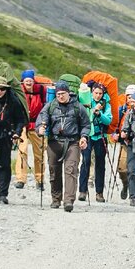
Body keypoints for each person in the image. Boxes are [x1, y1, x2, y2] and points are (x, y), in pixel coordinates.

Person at [35, 80, 90, 212]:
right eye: (58, 94)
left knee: (71, 170)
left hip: (73, 143)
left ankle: (68, 201)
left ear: (68, 93)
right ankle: (56, 199)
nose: (60, 96)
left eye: (63, 94)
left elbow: (86, 124)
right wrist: (40, 129)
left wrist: (84, 137)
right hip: (54, 142)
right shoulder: (51, 106)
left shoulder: (77, 107)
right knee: (54, 171)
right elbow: (42, 119)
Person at [77, 81, 113, 203]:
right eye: (96, 93)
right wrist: (93, 111)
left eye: (100, 93)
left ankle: (99, 193)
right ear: (91, 92)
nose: (97, 95)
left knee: (100, 165)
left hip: (100, 136)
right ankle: (82, 191)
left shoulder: (106, 105)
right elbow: (84, 116)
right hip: (87, 136)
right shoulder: (86, 101)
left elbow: (108, 120)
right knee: (85, 161)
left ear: (103, 94)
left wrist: (99, 113)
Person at [15, 70, 47, 192]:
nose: (28, 81)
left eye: (30, 79)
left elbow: (46, 105)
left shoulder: (40, 90)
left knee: (39, 152)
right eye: (26, 79)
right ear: (23, 80)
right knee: (22, 150)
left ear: (34, 80)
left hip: (37, 123)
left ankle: (39, 180)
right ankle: (20, 179)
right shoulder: (18, 91)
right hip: (22, 123)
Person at [111, 83, 135, 200]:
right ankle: (125, 184)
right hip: (125, 143)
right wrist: (115, 135)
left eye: (133, 96)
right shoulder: (121, 110)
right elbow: (114, 126)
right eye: (128, 96)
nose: (130, 99)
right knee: (122, 169)